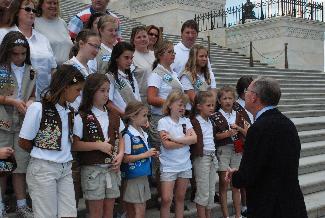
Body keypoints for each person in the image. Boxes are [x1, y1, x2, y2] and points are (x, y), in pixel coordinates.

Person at [225, 77, 308, 218]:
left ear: (254, 98)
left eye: (248, 91)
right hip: (292, 204)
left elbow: (248, 175)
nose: (245, 94)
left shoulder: (258, 129)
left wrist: (235, 176)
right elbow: (273, 163)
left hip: (268, 207)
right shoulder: (288, 124)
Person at [18, 64, 85, 218]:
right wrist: (43, 154)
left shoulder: (71, 112)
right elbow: (23, 141)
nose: (79, 94)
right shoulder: (38, 108)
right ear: (65, 87)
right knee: (46, 215)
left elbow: (71, 142)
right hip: (43, 169)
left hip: (65, 169)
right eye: (77, 90)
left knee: (69, 214)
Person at [73, 73, 125, 218]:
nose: (106, 94)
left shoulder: (114, 114)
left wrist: (120, 155)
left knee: (109, 212)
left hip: (112, 169)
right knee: (96, 213)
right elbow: (75, 145)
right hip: (92, 170)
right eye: (102, 90)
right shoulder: (81, 116)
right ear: (91, 91)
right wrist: (98, 146)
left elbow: (121, 138)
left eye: (108, 90)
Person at [0, 31, 36, 218]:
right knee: (3, 165)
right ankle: (1, 205)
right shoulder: (2, 69)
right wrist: (12, 101)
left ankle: (22, 204)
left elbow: (32, 94)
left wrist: (29, 102)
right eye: (15, 54)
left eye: (23, 53)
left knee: (20, 165)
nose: (19, 57)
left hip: (22, 124)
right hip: (3, 122)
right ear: (7, 51)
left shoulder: (31, 70)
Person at [0, 0, 57, 101]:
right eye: (27, 9)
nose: (31, 12)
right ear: (17, 12)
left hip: (43, 98)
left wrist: (55, 91)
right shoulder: (4, 33)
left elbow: (53, 69)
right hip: (13, 98)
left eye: (34, 10)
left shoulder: (43, 39)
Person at [147, 40, 183, 197]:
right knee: (163, 160)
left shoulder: (173, 73)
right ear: (160, 55)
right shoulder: (156, 73)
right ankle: (164, 197)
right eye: (170, 52)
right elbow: (151, 98)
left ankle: (171, 195)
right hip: (160, 119)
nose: (173, 54)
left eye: (174, 52)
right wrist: (171, 103)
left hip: (174, 119)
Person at [210, 86, 249, 218]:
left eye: (230, 98)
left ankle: (238, 215)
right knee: (223, 183)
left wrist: (238, 128)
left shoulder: (239, 115)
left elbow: (248, 132)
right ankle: (226, 215)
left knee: (236, 183)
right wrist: (227, 133)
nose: (227, 101)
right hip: (223, 150)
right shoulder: (215, 116)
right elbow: (214, 136)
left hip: (238, 149)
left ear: (234, 100)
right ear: (219, 101)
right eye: (224, 98)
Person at [157, 90, 197, 218]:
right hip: (168, 166)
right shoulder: (163, 122)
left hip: (185, 165)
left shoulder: (186, 121)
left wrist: (174, 138)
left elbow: (194, 139)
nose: (182, 108)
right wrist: (186, 141)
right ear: (170, 105)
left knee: (180, 198)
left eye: (184, 105)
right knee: (166, 199)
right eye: (180, 104)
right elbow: (166, 145)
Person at [121, 101, 159, 218]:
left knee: (140, 209)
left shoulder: (143, 133)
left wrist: (151, 154)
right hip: (134, 176)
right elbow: (125, 158)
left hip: (143, 174)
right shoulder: (128, 134)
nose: (146, 119)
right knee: (139, 210)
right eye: (143, 116)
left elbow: (143, 152)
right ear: (132, 116)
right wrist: (146, 155)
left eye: (147, 115)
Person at [190, 91, 217, 218]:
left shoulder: (210, 121)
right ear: (199, 106)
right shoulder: (195, 121)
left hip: (212, 157)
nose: (212, 108)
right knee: (203, 192)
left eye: (213, 105)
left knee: (211, 192)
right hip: (202, 158)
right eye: (208, 105)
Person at [234, 75, 254, 217]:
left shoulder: (253, 102)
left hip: (252, 141)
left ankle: (250, 203)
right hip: (241, 142)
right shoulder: (236, 105)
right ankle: (244, 205)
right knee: (243, 174)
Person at [106, 41, 141, 115]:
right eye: (126, 58)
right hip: (121, 120)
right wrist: (125, 115)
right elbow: (108, 103)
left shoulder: (132, 77)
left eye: (131, 58)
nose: (130, 61)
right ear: (116, 58)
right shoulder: (110, 77)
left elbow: (138, 100)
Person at [34, 0, 73, 65]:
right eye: (49, 3)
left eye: (55, 3)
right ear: (41, 5)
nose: (53, 6)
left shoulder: (62, 22)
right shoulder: (35, 22)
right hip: (48, 69)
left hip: (67, 69)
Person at [131, 26, 155, 104]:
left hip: (157, 98)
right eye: (138, 37)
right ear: (133, 40)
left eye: (144, 36)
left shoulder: (155, 55)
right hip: (141, 100)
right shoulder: (131, 57)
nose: (142, 39)